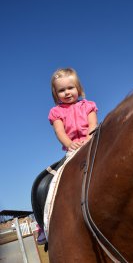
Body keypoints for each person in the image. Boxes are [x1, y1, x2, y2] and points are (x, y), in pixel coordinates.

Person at [35, 68, 98, 245]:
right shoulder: (56, 112)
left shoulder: (88, 105)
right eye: (61, 90)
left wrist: (89, 138)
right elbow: (59, 131)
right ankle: (44, 225)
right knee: (49, 184)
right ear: (56, 94)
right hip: (72, 150)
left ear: (78, 88)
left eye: (70, 88)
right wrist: (71, 144)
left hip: (93, 144)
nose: (67, 92)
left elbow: (93, 124)